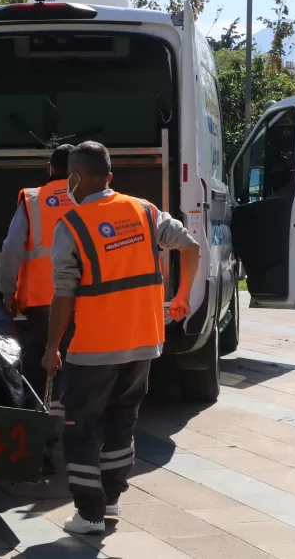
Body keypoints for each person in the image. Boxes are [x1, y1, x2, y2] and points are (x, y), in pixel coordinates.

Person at [42, 141, 200, 535]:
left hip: (95, 347)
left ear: (74, 178)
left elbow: (64, 292)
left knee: (79, 428)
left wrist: (51, 347)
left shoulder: (72, 225)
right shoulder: (145, 211)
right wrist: (181, 298)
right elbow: (191, 246)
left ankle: (90, 514)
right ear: (109, 177)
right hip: (145, 340)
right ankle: (111, 499)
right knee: (121, 421)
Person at [0, 143, 76, 474]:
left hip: (41, 305)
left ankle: (40, 446)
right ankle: (76, 444)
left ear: (49, 169)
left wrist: (7, 292)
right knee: (75, 375)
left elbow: (12, 248)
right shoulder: (91, 198)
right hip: (84, 304)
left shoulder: (32, 200)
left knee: (39, 374)